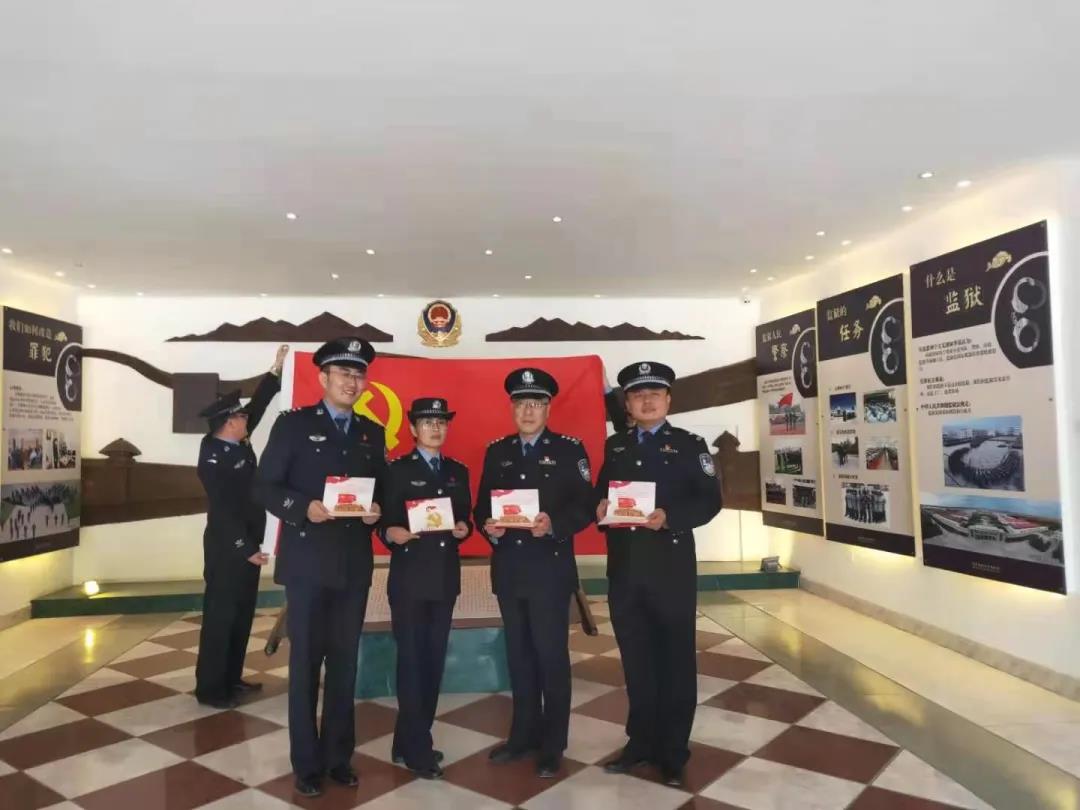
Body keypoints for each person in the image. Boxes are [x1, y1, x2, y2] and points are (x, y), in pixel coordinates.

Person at [256, 337, 385, 799]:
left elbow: (381, 492)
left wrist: (377, 513)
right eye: (343, 373)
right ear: (323, 378)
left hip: (352, 566)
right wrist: (302, 507)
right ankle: (307, 763)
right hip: (308, 565)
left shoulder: (371, 432)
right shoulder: (293, 425)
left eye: (358, 374)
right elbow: (265, 486)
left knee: (345, 665)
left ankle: (338, 758)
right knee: (306, 665)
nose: (352, 381)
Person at [596, 361, 722, 787]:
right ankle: (639, 743)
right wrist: (600, 506)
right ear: (628, 403)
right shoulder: (616, 446)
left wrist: (671, 517)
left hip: (670, 570)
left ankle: (672, 752)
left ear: (668, 399)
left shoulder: (689, 445)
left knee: (675, 662)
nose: (646, 401)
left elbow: (709, 500)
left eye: (654, 393)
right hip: (626, 569)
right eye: (637, 394)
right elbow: (602, 493)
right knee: (636, 661)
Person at [473, 367, 594, 778]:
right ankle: (522, 735)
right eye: (521, 403)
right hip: (509, 569)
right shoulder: (498, 451)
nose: (528, 411)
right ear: (512, 408)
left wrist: (554, 524)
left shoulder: (569, 450)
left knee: (551, 657)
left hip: (549, 571)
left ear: (547, 408)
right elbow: (482, 506)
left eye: (536, 403)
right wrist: (489, 526)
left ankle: (552, 744)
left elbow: (585, 505)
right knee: (519, 657)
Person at [379, 397, 472, 779]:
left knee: (432, 663)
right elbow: (382, 520)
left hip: (445, 578)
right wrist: (391, 533)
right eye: (427, 422)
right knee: (412, 662)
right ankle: (419, 749)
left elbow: (464, 516)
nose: (436, 428)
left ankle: (407, 739)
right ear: (413, 429)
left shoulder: (457, 471)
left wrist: (464, 528)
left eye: (441, 422)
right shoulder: (396, 470)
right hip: (410, 580)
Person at [193, 344, 287, 709]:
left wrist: (275, 372)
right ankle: (211, 689)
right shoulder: (212, 458)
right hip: (228, 548)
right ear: (229, 423)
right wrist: (244, 548)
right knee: (221, 617)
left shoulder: (236, 440)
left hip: (248, 544)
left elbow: (258, 407)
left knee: (241, 614)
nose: (247, 419)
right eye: (241, 417)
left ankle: (231, 678)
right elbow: (223, 510)